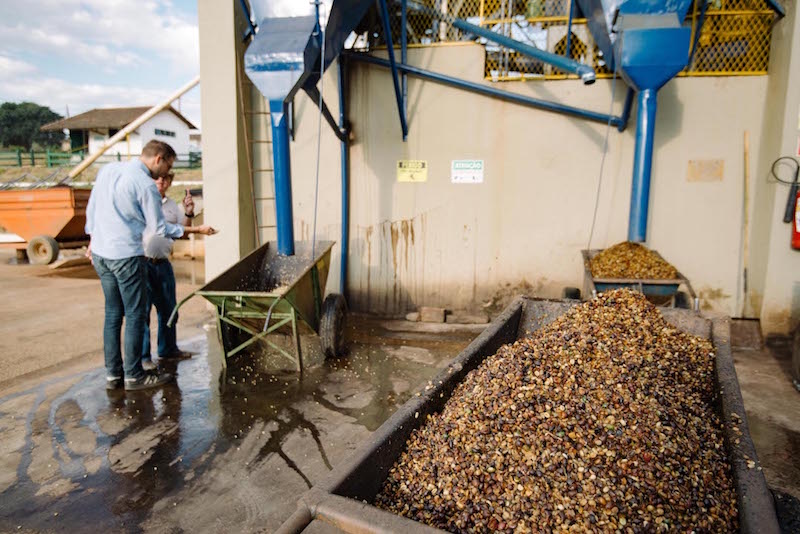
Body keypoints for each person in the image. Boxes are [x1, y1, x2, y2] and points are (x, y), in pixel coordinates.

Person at [85, 140, 214, 391]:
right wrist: (196, 228)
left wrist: (93, 239)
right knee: (135, 314)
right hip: (126, 256)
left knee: (113, 314)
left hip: (101, 253)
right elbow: (158, 229)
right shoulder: (145, 184)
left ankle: (114, 375)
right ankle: (134, 375)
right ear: (158, 158)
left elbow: (92, 210)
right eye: (168, 165)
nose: (166, 172)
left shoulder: (108, 170)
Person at [141, 172, 215, 370]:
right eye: (157, 178)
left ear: (169, 183)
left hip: (163, 263)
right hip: (142, 263)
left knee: (169, 310)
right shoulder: (143, 202)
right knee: (143, 312)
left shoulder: (172, 206)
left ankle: (168, 350)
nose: (161, 182)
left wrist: (189, 213)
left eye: (165, 179)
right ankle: (143, 357)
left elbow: (182, 232)